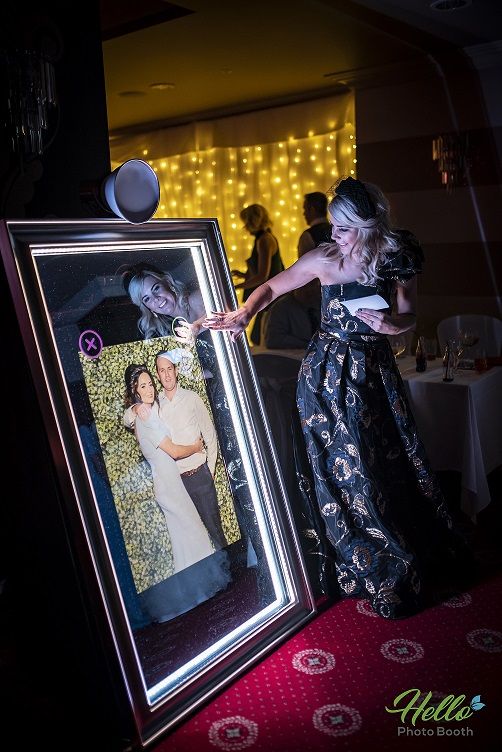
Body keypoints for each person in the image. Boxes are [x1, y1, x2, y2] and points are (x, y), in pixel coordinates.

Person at [205, 176, 470, 620]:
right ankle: (354, 558)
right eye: (333, 225)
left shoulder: (397, 256)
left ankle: (392, 551)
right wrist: (245, 311)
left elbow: (410, 314)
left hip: (374, 373)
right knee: (335, 463)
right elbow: (273, 287)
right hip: (324, 374)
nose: (334, 235)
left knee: (378, 460)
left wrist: (393, 326)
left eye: (343, 228)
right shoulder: (324, 258)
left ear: (369, 227)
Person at [123, 363, 231, 622]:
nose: (150, 389)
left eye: (150, 384)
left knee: (185, 541)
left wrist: (134, 408)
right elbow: (172, 450)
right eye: (143, 386)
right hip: (169, 485)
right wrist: (195, 447)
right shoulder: (144, 415)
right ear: (135, 390)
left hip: (171, 483)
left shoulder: (149, 410)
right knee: (195, 535)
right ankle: (197, 591)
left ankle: (193, 592)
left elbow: (130, 417)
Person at [124, 350, 227, 550]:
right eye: (162, 370)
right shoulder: (154, 405)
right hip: (177, 483)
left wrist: (211, 470)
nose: (167, 374)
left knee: (216, 533)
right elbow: (128, 419)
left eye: (169, 369)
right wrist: (134, 408)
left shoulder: (192, 398)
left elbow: (210, 436)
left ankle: (231, 568)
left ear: (176, 370)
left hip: (200, 477)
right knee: (194, 539)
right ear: (158, 374)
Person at [232, 204, 285, 345]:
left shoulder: (264, 240)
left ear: (252, 221)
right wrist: (244, 275)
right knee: (259, 337)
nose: (245, 227)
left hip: (271, 297)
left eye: (246, 222)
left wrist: (236, 287)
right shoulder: (265, 237)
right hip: (271, 295)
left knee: (259, 337)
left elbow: (262, 276)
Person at [262, 280, 320, 350]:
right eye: (304, 286)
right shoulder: (281, 307)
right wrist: (307, 344)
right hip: (291, 355)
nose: (310, 290)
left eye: (313, 285)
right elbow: (273, 340)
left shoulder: (323, 304)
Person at [297, 191, 332, 258]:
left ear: (312, 209)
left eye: (305, 209)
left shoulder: (307, 236)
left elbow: (304, 263)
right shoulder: (337, 231)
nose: (304, 214)